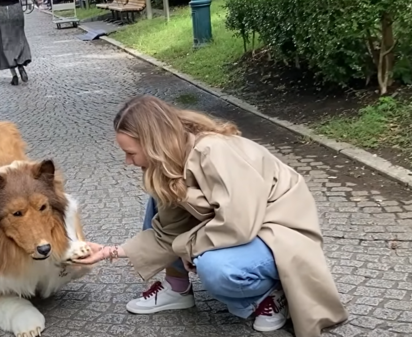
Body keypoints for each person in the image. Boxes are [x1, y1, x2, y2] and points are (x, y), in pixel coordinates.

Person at [72, 95, 349, 336]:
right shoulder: (168, 164)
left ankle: (269, 294)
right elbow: (167, 232)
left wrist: (188, 248)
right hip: (246, 228)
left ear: (153, 143)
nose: (128, 161)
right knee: (158, 199)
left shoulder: (214, 150)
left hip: (279, 231)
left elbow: (238, 224)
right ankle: (177, 287)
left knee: (216, 268)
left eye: (130, 153)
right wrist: (109, 251)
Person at [0, 0, 31, 86]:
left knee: (4, 42)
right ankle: (20, 65)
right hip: (16, 8)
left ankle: (14, 75)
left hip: (0, 10)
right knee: (19, 37)